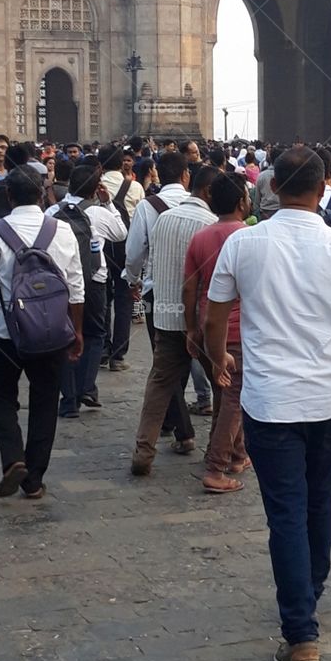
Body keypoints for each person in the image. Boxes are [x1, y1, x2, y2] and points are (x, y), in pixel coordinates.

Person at [205, 147, 331, 661]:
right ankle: (309, 591)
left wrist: (218, 355)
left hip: (269, 402)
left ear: (270, 187)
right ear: (325, 185)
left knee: (285, 513)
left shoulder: (244, 244)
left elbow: (214, 315)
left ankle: (301, 631)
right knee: (318, 501)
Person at [0, 167, 84, 499]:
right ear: (44, 194)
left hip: (4, 333)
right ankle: (33, 478)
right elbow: (76, 288)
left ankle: (12, 459)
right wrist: (75, 331)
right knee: (46, 400)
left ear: (8, 196)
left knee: (2, 397)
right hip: (51, 333)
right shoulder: (61, 231)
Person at [130, 165, 219, 475]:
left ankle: (144, 450)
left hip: (166, 316)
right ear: (208, 192)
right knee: (222, 385)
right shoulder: (211, 224)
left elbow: (148, 262)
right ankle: (221, 450)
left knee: (159, 384)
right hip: (201, 323)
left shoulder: (163, 218)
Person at [183, 172, 251, 493]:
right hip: (240, 330)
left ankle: (238, 455)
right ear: (242, 202)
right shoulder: (249, 237)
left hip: (210, 326)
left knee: (226, 393)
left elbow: (190, 289)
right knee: (234, 399)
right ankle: (215, 467)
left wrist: (191, 329)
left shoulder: (200, 238)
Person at [124, 150, 195, 448]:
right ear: (185, 175)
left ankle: (182, 429)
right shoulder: (199, 207)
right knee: (187, 356)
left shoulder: (147, 206)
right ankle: (171, 419)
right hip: (195, 291)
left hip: (157, 291)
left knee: (164, 359)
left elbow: (134, 252)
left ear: (156, 175)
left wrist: (132, 280)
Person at [47, 163, 127, 414]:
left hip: (59, 283)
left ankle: (68, 399)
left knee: (64, 336)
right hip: (93, 281)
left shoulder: (51, 212)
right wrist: (109, 204)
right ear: (96, 189)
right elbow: (121, 234)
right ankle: (87, 387)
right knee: (94, 334)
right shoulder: (99, 213)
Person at [99, 144, 145, 371]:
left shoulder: (94, 185)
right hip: (126, 247)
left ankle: (102, 349)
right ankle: (119, 355)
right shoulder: (135, 187)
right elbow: (140, 223)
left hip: (100, 247)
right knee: (125, 299)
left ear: (100, 165)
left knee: (102, 297)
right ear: (122, 163)